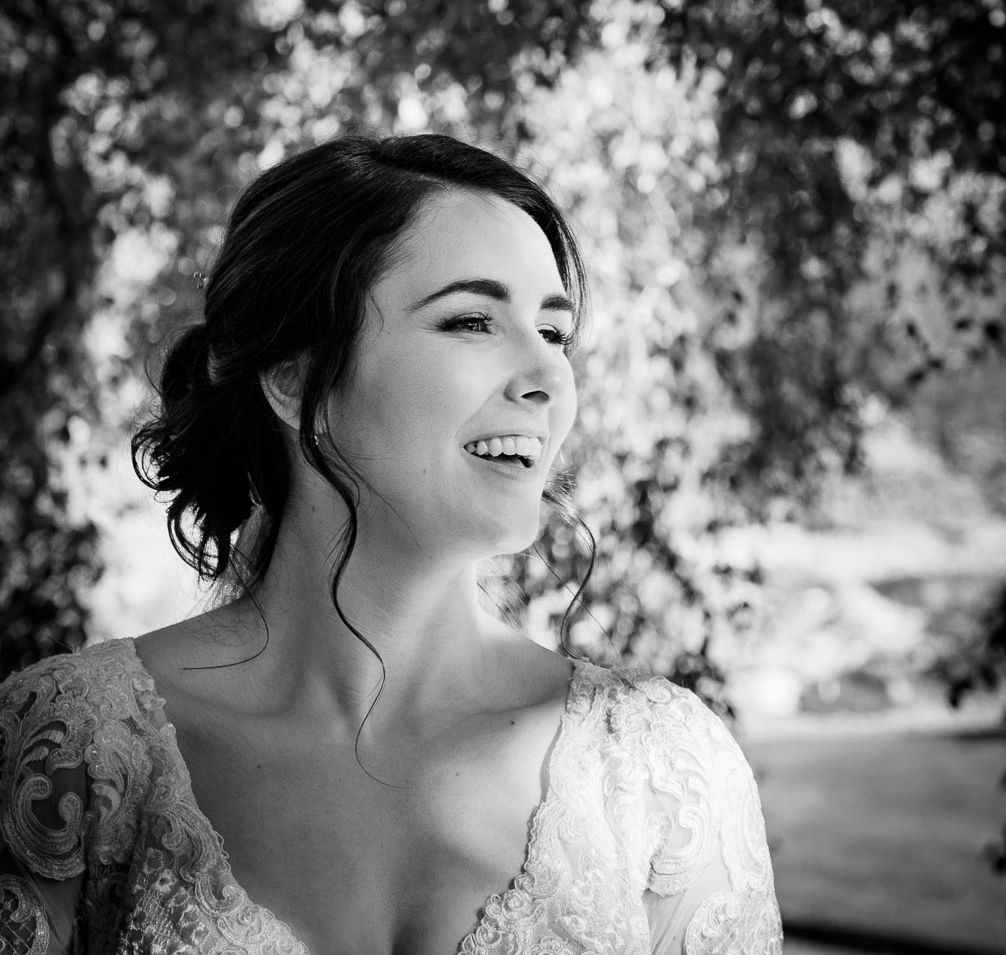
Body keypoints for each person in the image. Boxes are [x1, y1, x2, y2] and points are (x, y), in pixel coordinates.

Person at [0, 134, 783, 955]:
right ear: (294, 377)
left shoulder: (661, 773)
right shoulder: (71, 748)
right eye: (472, 321)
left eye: (555, 333)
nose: (549, 377)